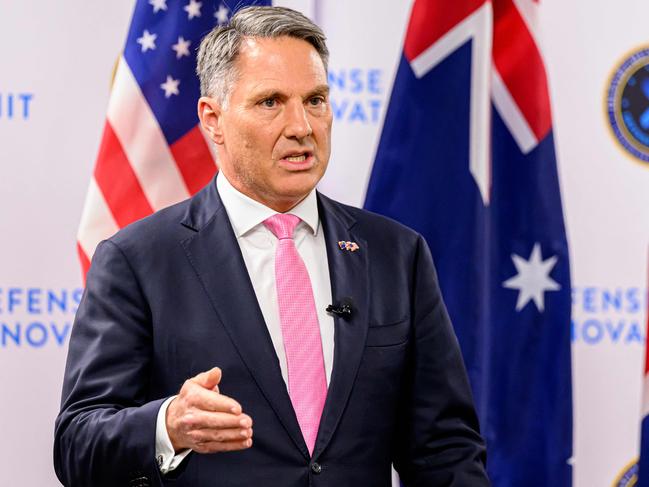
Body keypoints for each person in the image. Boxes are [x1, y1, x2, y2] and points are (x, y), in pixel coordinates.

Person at [54, 6, 490, 487]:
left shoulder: (395, 254)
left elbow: (445, 449)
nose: (302, 126)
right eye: (271, 102)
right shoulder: (138, 260)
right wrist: (168, 425)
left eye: (316, 100)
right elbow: (78, 443)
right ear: (213, 119)